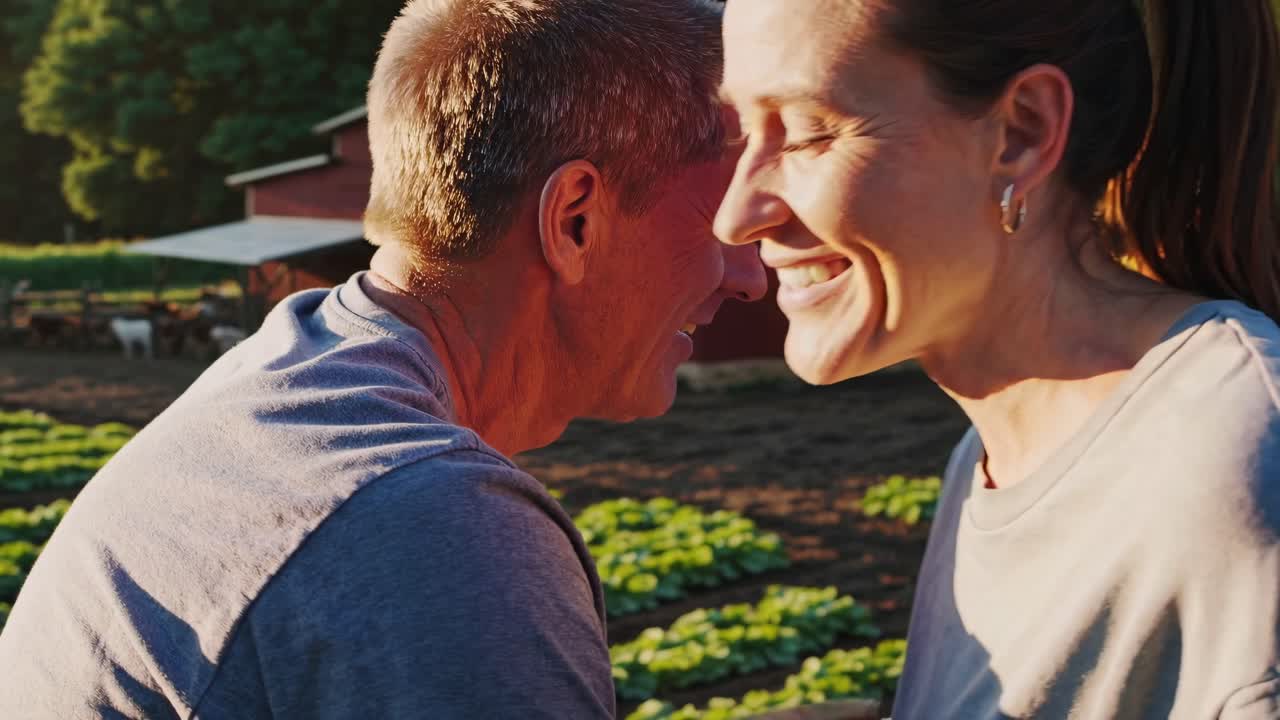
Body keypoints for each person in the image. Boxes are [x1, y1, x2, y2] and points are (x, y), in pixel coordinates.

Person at [0, 0, 764, 717]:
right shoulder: (428, 527)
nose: (751, 277)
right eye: (727, 221)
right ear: (574, 221)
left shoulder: (286, 377)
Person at [715, 1, 1280, 717]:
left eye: (806, 132)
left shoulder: (1237, 464)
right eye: (740, 132)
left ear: (1023, 132)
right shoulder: (986, 458)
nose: (736, 213)